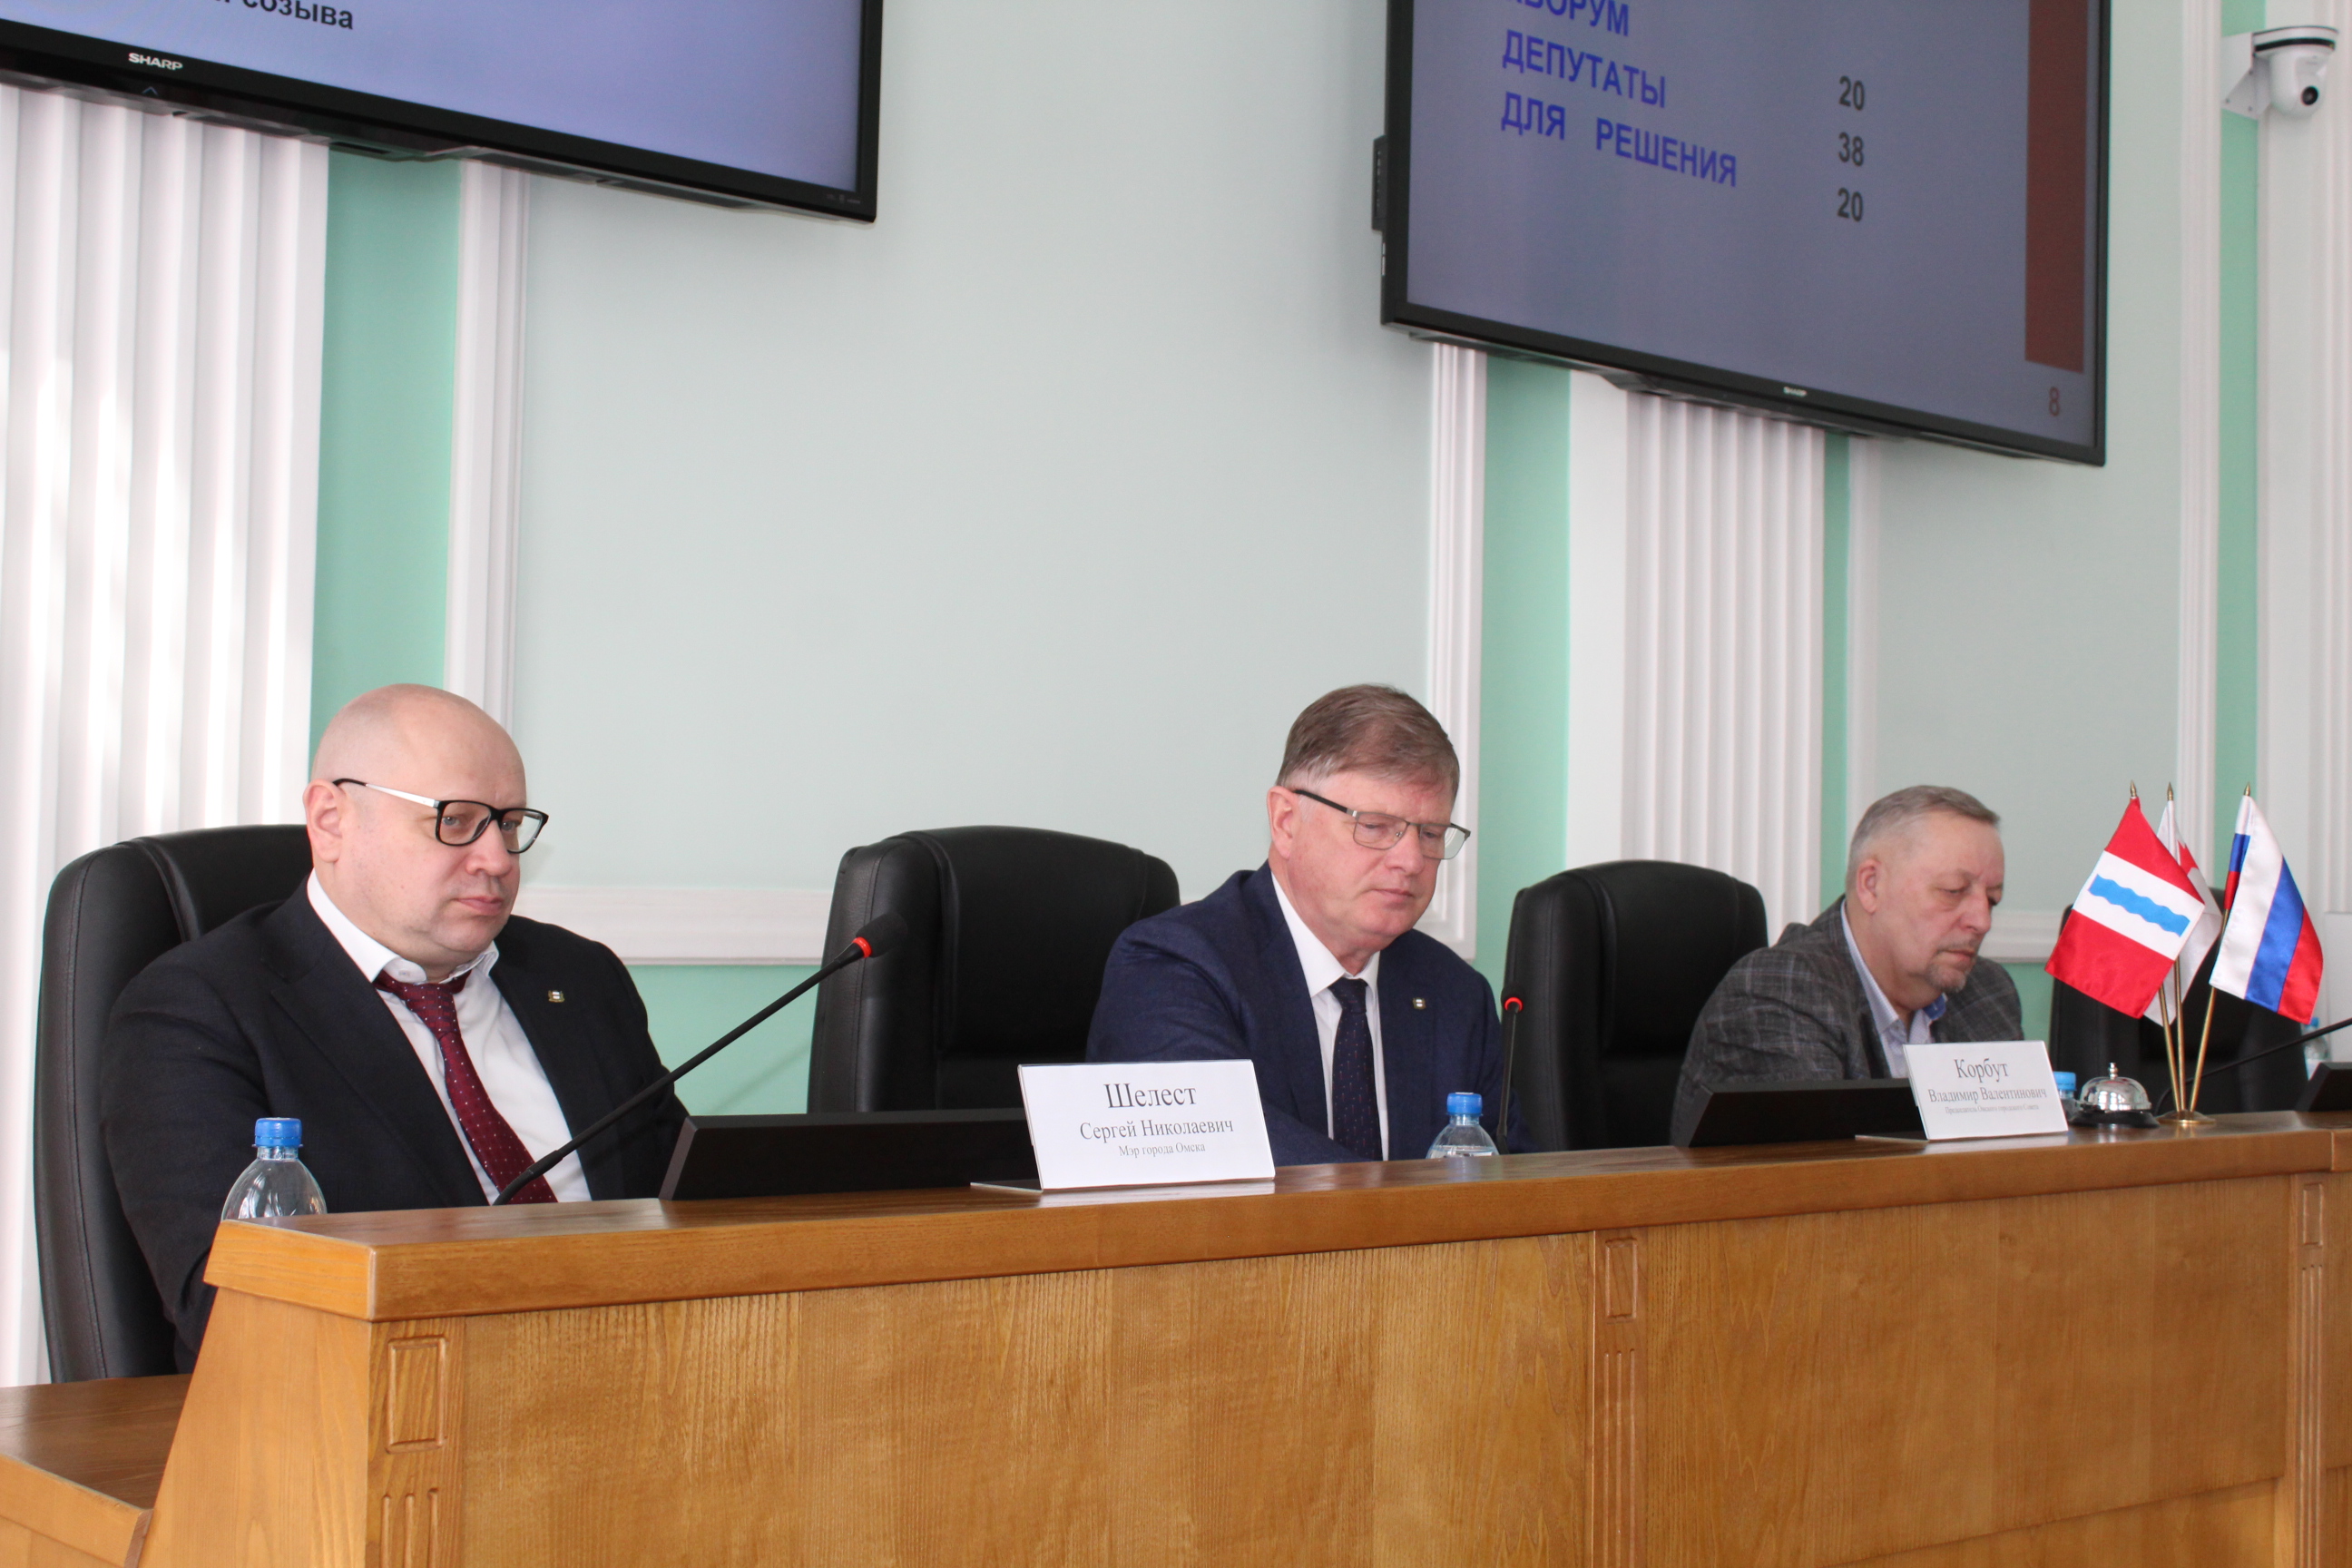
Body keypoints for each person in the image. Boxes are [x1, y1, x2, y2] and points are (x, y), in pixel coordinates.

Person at [103, 684, 683, 1367]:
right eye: (455, 821)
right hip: (398, 1404)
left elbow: (686, 1206)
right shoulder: (198, 1011)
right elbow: (236, 1311)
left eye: (508, 824)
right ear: (331, 821)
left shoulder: (580, 979)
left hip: (649, 1380)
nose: (498, 859)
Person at [1088, 685, 1521, 1164]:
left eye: (1431, 833)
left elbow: (1524, 1176)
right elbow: (1226, 1155)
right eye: (1375, 826)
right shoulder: (1174, 967)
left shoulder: (1456, 994)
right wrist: (1411, 1202)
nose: (1411, 860)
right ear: (1286, 821)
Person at [1669, 785, 2024, 1143]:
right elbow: (1829, 1166)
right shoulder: (1780, 990)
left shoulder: (1988, 992)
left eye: (1992, 900)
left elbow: (2022, 1151)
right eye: (1953, 890)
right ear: (1871, 886)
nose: (1982, 921)